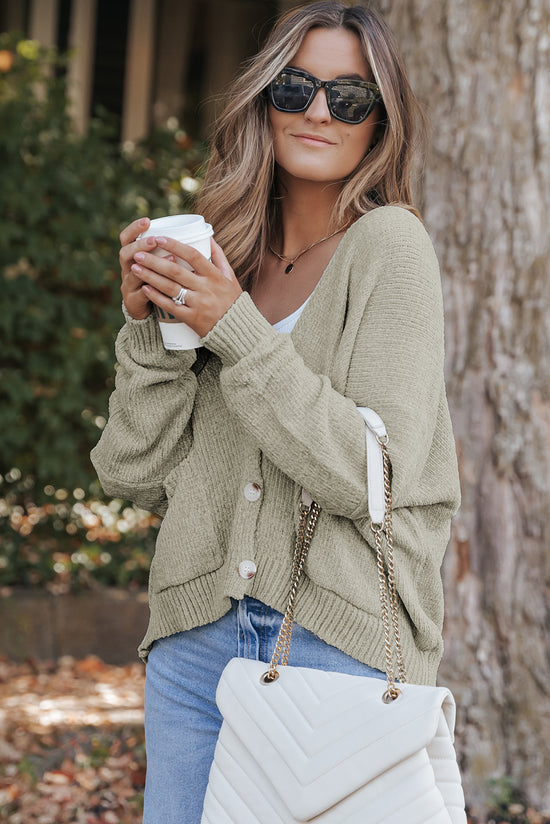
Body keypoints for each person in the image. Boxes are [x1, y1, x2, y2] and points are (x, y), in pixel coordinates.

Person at [91, 2, 461, 821]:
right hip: (193, 645)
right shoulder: (229, 257)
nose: (319, 111)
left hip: (337, 645)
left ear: (381, 123)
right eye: (296, 87)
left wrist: (236, 330)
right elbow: (134, 474)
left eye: (350, 96)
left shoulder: (390, 247)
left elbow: (369, 477)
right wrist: (152, 330)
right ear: (263, 101)